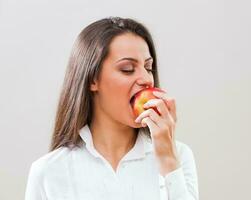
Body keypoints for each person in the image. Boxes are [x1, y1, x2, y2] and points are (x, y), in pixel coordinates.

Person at [25, 17, 199, 200]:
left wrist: (167, 158)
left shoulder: (179, 156)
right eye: (127, 69)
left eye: (148, 68)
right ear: (93, 79)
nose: (147, 79)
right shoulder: (49, 172)